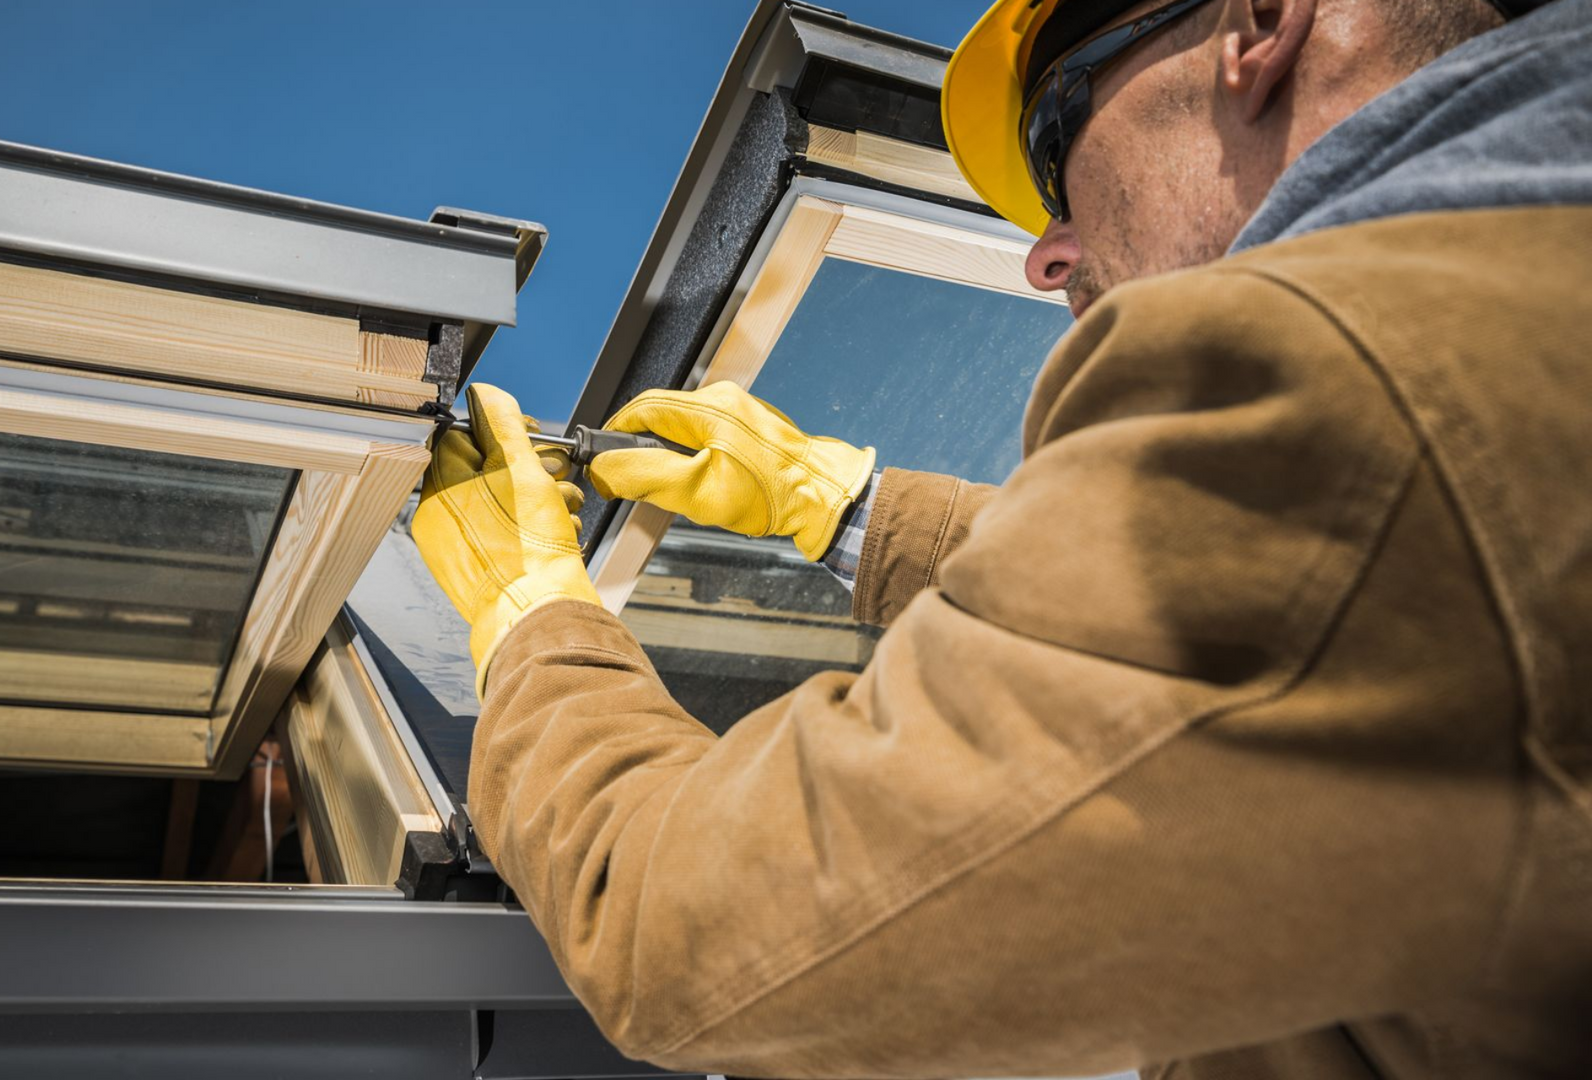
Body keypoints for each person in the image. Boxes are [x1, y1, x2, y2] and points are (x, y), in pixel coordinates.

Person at [411, 0, 1592, 1076]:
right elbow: (1274, 633)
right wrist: (844, 509)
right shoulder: (1517, 315)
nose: (1045, 255)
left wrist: (534, 624)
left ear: (1261, 27)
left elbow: (686, 932)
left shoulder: (1357, 387)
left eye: (1053, 152)